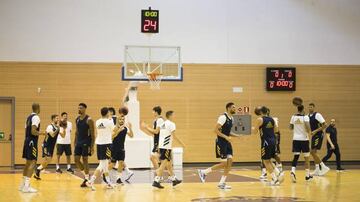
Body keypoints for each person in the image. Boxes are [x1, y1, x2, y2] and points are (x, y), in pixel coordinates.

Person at [197, 102, 240, 189]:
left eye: (235, 107)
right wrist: (226, 137)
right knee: (224, 163)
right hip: (221, 142)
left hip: (227, 143)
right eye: (233, 107)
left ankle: (221, 183)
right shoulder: (223, 117)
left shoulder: (232, 118)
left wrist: (237, 136)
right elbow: (215, 130)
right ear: (228, 108)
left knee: (230, 162)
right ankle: (204, 172)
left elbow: (228, 132)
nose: (235, 109)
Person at [152, 111, 185, 189]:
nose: (174, 116)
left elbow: (159, 134)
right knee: (164, 163)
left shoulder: (163, 123)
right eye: (173, 115)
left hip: (161, 146)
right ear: (170, 116)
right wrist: (182, 143)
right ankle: (156, 180)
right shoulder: (172, 124)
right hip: (166, 146)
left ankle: (173, 179)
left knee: (169, 163)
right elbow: (174, 136)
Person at [253, 106, 284, 186]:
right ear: (267, 111)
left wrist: (253, 128)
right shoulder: (272, 119)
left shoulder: (260, 119)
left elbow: (254, 132)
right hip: (273, 141)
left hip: (266, 142)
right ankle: (278, 173)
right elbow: (276, 130)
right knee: (269, 160)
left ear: (260, 112)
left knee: (265, 161)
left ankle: (275, 179)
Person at [19, 103, 46, 193]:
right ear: (38, 108)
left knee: (28, 163)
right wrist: (42, 133)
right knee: (33, 163)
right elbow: (33, 131)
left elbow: (27, 130)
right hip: (32, 142)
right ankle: (26, 186)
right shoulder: (36, 117)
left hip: (27, 141)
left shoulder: (28, 118)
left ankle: (22, 185)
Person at [87, 107, 115, 190]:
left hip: (99, 144)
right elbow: (114, 130)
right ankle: (91, 181)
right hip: (106, 144)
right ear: (107, 113)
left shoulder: (97, 122)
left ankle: (109, 182)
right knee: (102, 164)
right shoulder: (109, 122)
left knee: (105, 164)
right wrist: (115, 124)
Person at [34, 114, 64, 180]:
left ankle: (38, 170)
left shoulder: (57, 127)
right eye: (56, 118)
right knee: (47, 158)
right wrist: (58, 129)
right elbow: (52, 135)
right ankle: (38, 170)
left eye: (58, 118)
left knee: (49, 160)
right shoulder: (49, 126)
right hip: (46, 145)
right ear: (53, 119)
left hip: (51, 146)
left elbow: (63, 136)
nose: (58, 120)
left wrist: (63, 128)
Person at [290, 105, 313, 183]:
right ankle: (307, 176)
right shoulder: (305, 117)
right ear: (303, 109)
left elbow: (290, 127)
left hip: (296, 139)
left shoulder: (293, 117)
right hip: (304, 139)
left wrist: (297, 127)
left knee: (296, 157)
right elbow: (308, 127)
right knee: (306, 158)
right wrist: (309, 131)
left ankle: (293, 171)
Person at [74, 103, 95, 187]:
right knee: (76, 160)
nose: (79, 109)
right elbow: (77, 131)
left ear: (85, 109)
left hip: (86, 142)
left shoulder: (89, 119)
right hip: (78, 142)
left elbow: (93, 134)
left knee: (85, 159)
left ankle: (86, 178)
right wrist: (75, 141)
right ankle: (86, 175)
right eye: (78, 108)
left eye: (81, 108)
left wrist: (92, 146)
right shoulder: (77, 119)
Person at [308, 103, 330, 176]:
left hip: (319, 134)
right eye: (309, 107)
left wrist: (315, 131)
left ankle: (323, 167)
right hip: (314, 135)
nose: (310, 108)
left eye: (311, 107)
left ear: (314, 108)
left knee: (312, 152)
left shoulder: (317, 115)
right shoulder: (308, 116)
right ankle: (317, 170)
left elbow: (325, 125)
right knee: (314, 152)